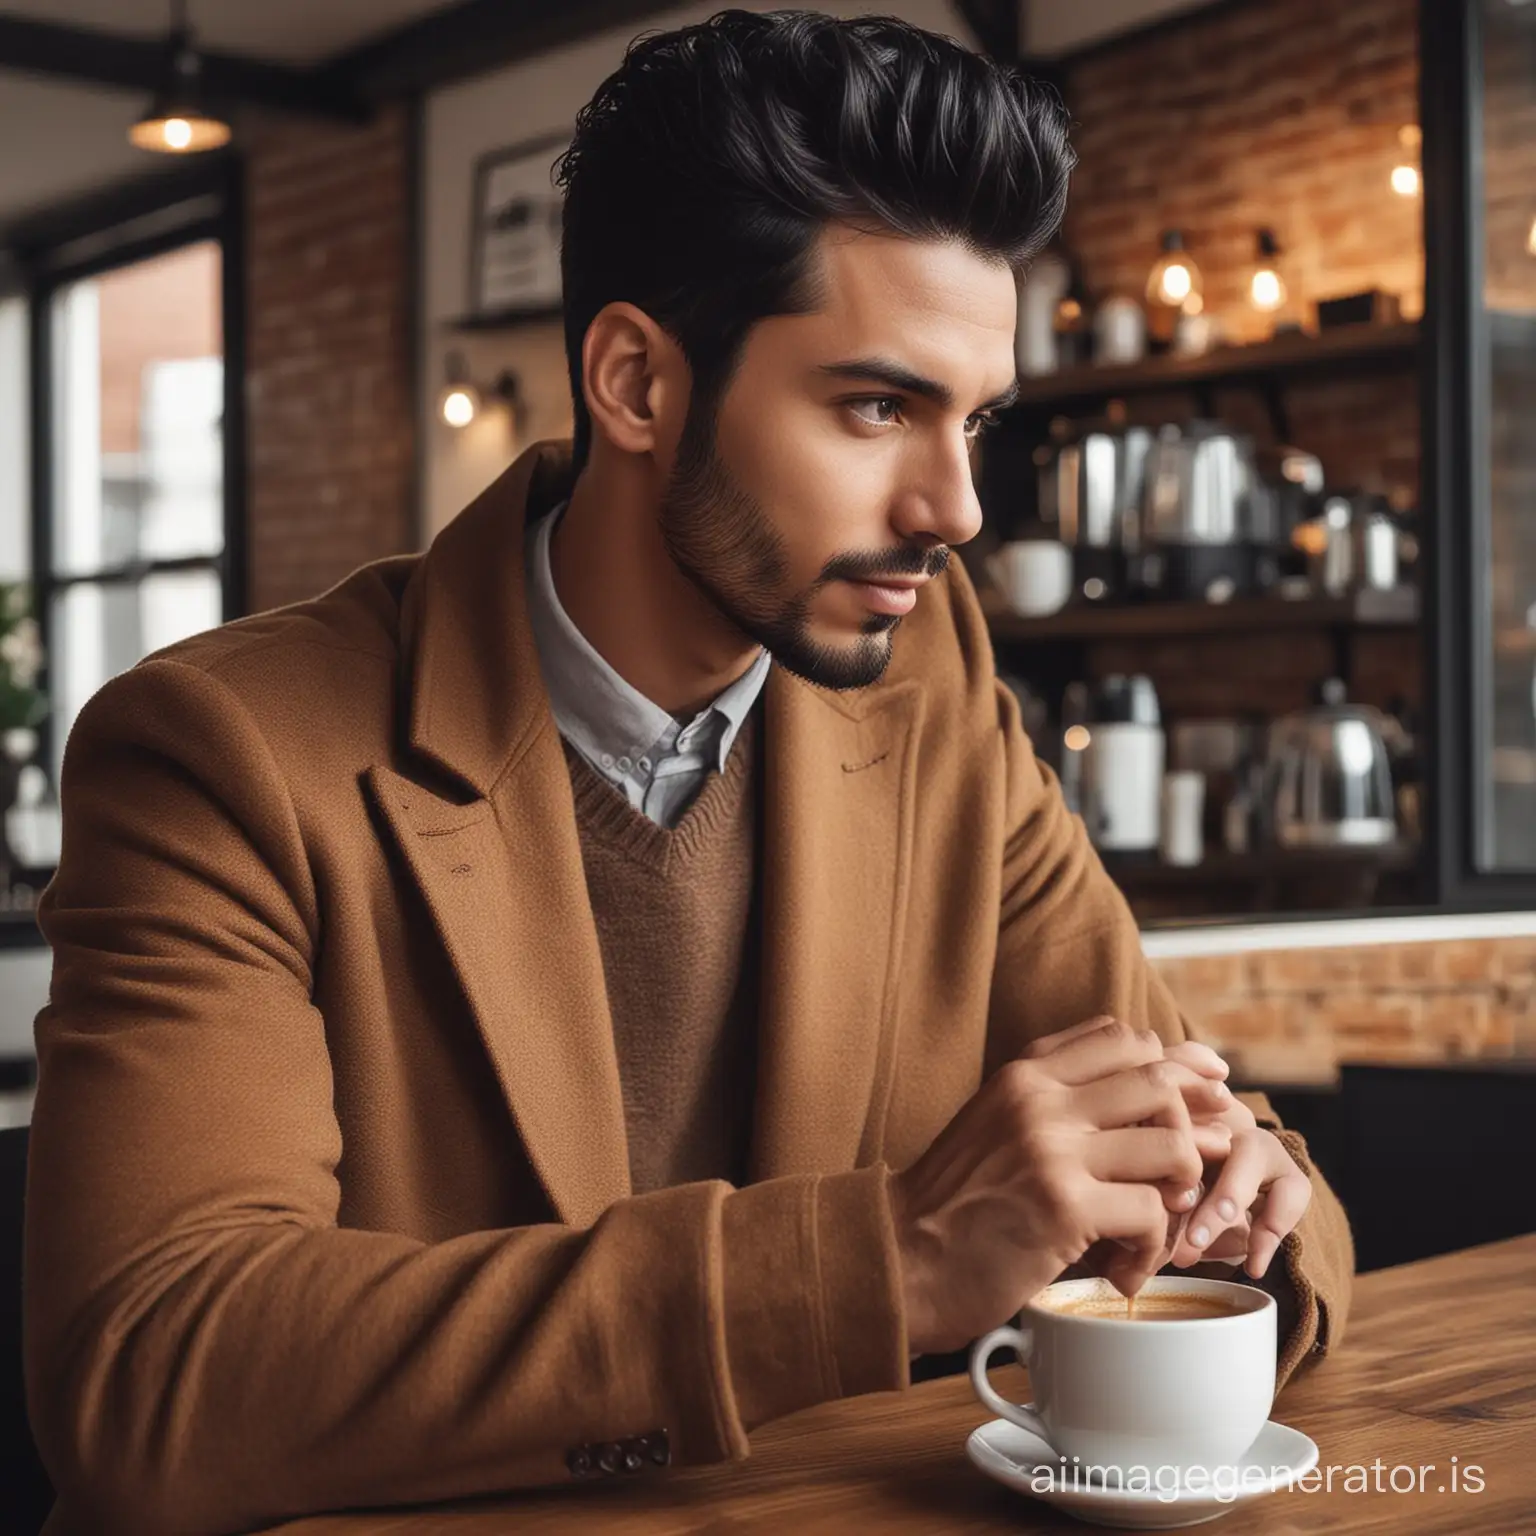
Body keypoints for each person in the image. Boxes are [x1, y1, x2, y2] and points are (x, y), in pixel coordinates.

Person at [23, 11, 1352, 1534]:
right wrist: (890, 1259)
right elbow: (155, 1374)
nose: (959, 506)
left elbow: (1241, 1170)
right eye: (877, 407)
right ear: (639, 385)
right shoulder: (221, 751)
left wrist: (1239, 1202)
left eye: (974, 419)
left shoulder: (936, 695)